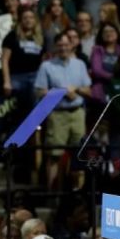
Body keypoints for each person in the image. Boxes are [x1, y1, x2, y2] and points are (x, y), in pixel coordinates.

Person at [35, 33, 91, 190]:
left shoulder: (79, 64)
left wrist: (77, 89)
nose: (63, 48)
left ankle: (78, 193)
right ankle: (52, 192)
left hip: (78, 113)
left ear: (71, 45)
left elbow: (88, 89)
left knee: (79, 155)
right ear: (55, 47)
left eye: (66, 45)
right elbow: (40, 91)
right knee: (54, 155)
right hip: (57, 114)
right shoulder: (47, 66)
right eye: (60, 45)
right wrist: (62, 92)